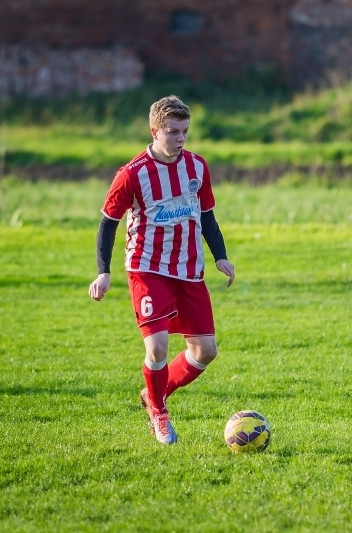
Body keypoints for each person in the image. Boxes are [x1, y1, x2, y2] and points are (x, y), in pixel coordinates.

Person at [87, 95, 235, 445]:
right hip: (147, 268)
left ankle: (154, 393)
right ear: (155, 131)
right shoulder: (131, 174)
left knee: (206, 351)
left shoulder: (197, 167)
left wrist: (220, 256)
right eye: (172, 132)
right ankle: (159, 413)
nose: (180, 139)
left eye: (185, 131)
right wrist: (103, 271)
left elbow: (207, 216)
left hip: (188, 270)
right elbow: (108, 223)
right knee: (157, 348)